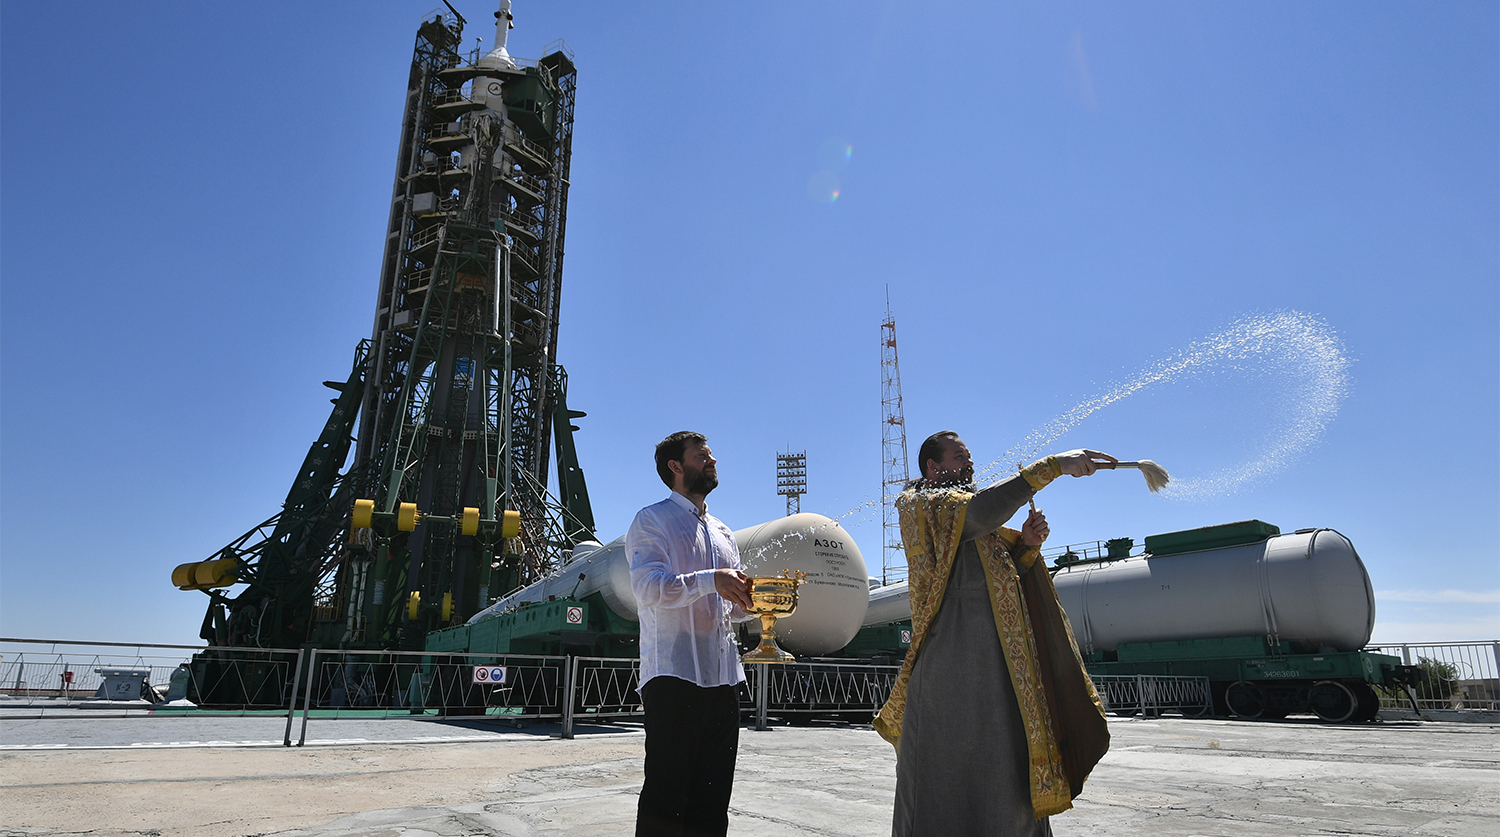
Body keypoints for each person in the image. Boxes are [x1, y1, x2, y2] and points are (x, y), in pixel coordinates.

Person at [874, 431, 1115, 836]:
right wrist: (1052, 466)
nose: (968, 463)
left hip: (1002, 671)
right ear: (933, 468)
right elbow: (979, 514)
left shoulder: (970, 515)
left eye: (969, 456)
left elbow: (1002, 576)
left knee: (1007, 768)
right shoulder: (920, 504)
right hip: (955, 671)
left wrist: (1027, 546)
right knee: (951, 780)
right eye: (958, 456)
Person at [627, 431, 756, 837]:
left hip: (723, 679)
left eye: (712, 455)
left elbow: (728, 611)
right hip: (673, 675)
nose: (712, 461)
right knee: (666, 797)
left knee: (713, 800)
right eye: (702, 456)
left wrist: (756, 604)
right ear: (676, 467)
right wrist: (710, 579)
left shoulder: (723, 532)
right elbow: (650, 589)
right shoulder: (652, 520)